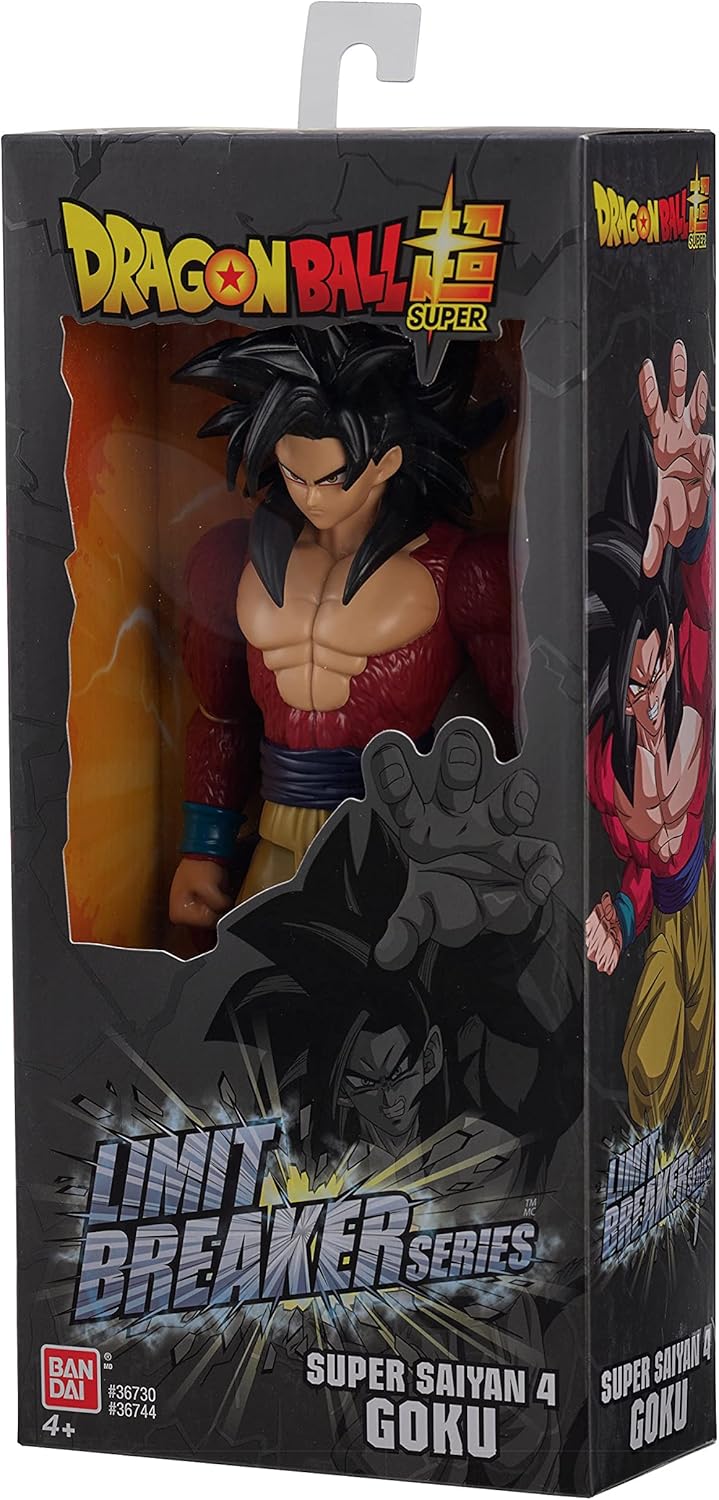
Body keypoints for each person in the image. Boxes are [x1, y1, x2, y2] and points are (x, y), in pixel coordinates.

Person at [169, 324, 515, 925]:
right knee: (257, 968)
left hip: (400, 839)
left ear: (387, 461)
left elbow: (518, 731)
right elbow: (221, 717)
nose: (312, 497)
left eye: (332, 478)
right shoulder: (233, 563)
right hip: (277, 832)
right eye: (294, 474)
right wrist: (205, 847)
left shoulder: (459, 573)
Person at [586, 340, 714, 1150]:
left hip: (707, 893)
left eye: (654, 670)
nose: (649, 693)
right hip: (668, 913)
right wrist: (621, 915)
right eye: (633, 685)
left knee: (701, 1063)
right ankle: (649, 1174)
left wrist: (693, 523)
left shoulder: (689, 678)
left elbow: (700, 604)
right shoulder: (607, 769)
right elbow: (645, 859)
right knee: (647, 1060)